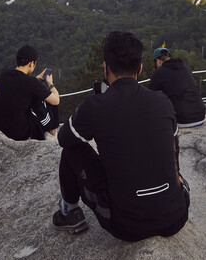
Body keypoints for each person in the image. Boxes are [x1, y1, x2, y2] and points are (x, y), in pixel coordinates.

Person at [53, 31, 190, 241]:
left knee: (72, 150)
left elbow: (65, 138)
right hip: (176, 217)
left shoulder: (96, 106)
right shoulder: (162, 100)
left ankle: (69, 212)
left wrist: (94, 111)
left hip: (127, 226)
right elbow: (173, 152)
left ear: (105, 67)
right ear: (140, 68)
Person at [0, 45, 60, 141]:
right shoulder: (30, 82)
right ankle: (52, 131)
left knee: (33, 94)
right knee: (40, 98)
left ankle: (51, 131)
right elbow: (56, 100)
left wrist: (35, 80)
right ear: (31, 63)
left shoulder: (3, 74)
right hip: (18, 133)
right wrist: (50, 84)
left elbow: (19, 85)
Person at [149, 47, 206, 128]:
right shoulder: (185, 68)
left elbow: (150, 97)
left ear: (157, 61)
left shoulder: (159, 72)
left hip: (181, 120)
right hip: (200, 116)